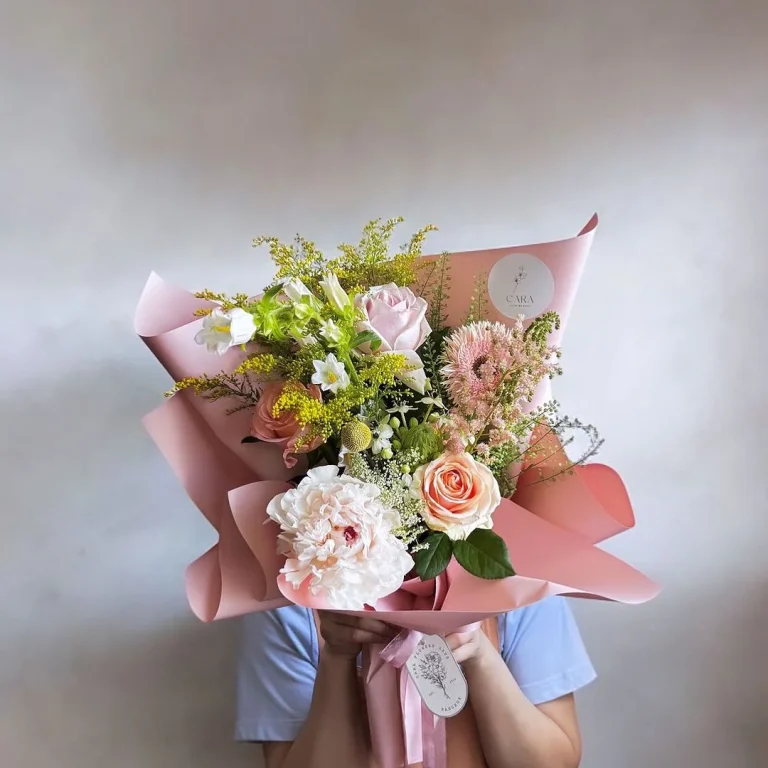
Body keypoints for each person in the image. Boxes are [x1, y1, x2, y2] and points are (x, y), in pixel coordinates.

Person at [236, 599, 595, 768]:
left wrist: (479, 653)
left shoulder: (522, 588)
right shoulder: (291, 605)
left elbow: (553, 764)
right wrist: (338, 658)